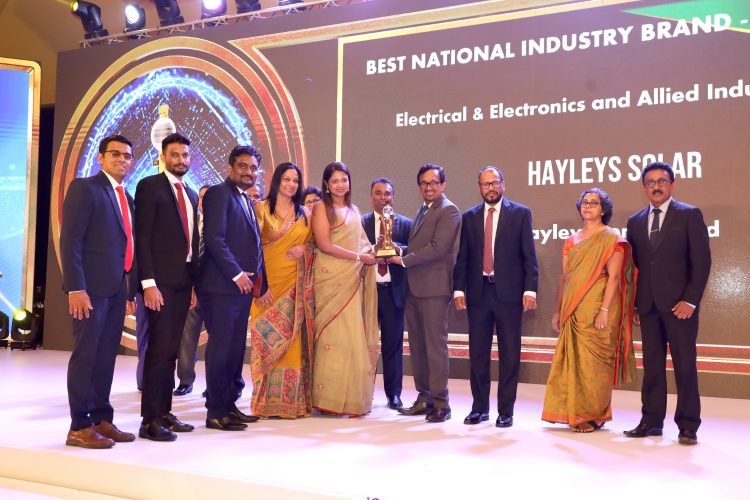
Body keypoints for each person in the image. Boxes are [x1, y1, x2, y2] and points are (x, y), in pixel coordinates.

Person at [624, 162, 711, 445]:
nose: (656, 187)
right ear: (644, 188)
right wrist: (635, 305)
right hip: (648, 307)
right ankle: (651, 421)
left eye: (661, 181)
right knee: (652, 366)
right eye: (650, 183)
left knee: (685, 366)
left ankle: (688, 425)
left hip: (679, 307)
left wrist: (690, 301)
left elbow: (701, 262)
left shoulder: (689, 214)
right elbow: (635, 267)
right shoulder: (635, 221)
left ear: (672, 184)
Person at [61, 134, 137, 449]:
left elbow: (127, 246)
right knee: (86, 356)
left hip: (117, 289)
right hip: (89, 291)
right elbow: (71, 241)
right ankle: (79, 426)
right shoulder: (85, 188)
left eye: (127, 155)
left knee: (106, 357)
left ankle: (102, 419)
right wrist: (76, 287)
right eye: (115, 154)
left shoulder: (126, 196)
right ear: (101, 158)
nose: (122, 159)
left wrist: (129, 291)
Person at [542, 188, 636, 433]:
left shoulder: (612, 238)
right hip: (573, 309)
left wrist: (604, 309)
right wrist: (557, 311)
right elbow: (565, 278)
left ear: (603, 209)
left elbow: (614, 277)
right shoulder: (571, 241)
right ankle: (574, 412)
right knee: (574, 364)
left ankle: (595, 415)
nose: (588, 206)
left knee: (595, 365)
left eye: (594, 203)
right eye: (585, 202)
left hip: (599, 307)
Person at [453, 166, 538, 428]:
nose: (490, 188)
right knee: (478, 354)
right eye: (485, 184)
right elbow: (464, 256)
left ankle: (506, 411)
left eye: (494, 183)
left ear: (503, 184)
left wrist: (530, 289)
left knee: (509, 354)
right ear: (479, 187)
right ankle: (479, 408)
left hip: (509, 295)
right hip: (478, 294)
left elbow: (529, 255)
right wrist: (458, 289)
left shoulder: (520, 213)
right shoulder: (469, 217)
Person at [135, 133, 199, 441]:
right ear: (163, 157)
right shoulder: (150, 186)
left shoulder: (192, 194)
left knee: (172, 351)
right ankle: (149, 420)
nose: (180, 160)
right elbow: (142, 236)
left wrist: (195, 284)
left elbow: (193, 242)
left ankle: (164, 413)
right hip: (159, 284)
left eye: (185, 155)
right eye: (174, 155)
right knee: (159, 351)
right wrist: (148, 283)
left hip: (184, 282)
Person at [200, 145, 268, 430]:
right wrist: (237, 274)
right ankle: (216, 411)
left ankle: (229, 405)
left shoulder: (245, 198)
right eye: (243, 166)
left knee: (234, 350)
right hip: (222, 287)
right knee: (221, 350)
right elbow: (215, 239)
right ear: (230, 168)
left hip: (241, 290)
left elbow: (254, 244)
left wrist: (259, 281)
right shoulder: (219, 194)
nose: (248, 172)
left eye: (253, 168)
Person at [391, 164, 460, 423]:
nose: (428, 187)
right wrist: (399, 250)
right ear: (419, 186)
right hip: (415, 288)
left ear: (443, 185)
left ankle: (441, 404)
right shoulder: (423, 209)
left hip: (434, 289)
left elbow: (438, 248)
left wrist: (404, 260)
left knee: (434, 347)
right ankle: (425, 397)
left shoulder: (449, 210)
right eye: (424, 183)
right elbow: (420, 245)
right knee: (418, 347)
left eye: (433, 183)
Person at [310, 161, 379, 416]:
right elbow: (324, 244)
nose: (340, 185)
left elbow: (362, 243)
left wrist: (376, 250)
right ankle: (327, 398)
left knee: (350, 336)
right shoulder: (321, 208)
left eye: (344, 180)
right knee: (332, 337)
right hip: (330, 278)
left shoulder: (354, 210)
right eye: (335, 181)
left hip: (352, 279)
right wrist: (359, 257)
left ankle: (349, 398)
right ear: (326, 185)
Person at [249, 162, 314, 418]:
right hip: (267, 287)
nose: (291, 184)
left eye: (295, 180)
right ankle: (264, 403)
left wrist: (305, 249)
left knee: (292, 345)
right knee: (265, 344)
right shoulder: (261, 209)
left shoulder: (305, 213)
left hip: (294, 286)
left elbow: (316, 245)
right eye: (286, 179)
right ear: (277, 180)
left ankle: (290, 403)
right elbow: (252, 248)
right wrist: (260, 287)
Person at [361, 178, 412, 409]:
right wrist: (372, 250)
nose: (383, 198)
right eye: (378, 193)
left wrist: (396, 248)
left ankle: (394, 395)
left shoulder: (406, 224)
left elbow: (414, 250)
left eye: (387, 194)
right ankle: (363, 392)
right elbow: (354, 251)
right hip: (367, 292)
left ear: (393, 197)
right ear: (371, 196)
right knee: (365, 345)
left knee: (393, 345)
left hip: (393, 292)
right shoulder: (360, 223)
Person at [174, 184, 211, 397]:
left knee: (217, 342)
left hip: (215, 291)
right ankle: (185, 380)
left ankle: (213, 385)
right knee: (187, 339)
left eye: (209, 197)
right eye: (202, 197)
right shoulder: (189, 223)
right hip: (191, 290)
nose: (205, 201)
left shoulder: (221, 223)